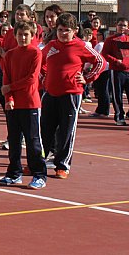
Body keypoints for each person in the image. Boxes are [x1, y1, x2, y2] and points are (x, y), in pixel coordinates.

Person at [40, 13, 105, 178]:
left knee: (66, 131)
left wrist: (88, 78)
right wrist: (43, 77)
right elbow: (39, 63)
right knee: (44, 130)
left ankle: (62, 165)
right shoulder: (51, 45)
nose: (63, 33)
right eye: (60, 30)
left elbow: (100, 62)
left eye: (67, 30)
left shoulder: (81, 46)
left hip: (71, 94)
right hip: (50, 93)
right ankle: (38, 162)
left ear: (75, 30)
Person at [0, 21, 47, 189]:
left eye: (26, 35)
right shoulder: (10, 55)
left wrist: (9, 88)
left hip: (30, 103)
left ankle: (39, 174)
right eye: (19, 34)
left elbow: (31, 79)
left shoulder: (36, 53)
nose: (22, 37)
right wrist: (9, 98)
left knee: (33, 141)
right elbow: (6, 77)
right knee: (14, 140)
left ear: (32, 36)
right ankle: (14, 173)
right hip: (14, 105)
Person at [100, 17, 129, 126]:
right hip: (117, 71)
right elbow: (105, 54)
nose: (122, 27)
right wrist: (116, 61)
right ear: (116, 25)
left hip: (128, 70)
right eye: (120, 25)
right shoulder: (110, 40)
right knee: (117, 95)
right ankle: (119, 116)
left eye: (125, 25)